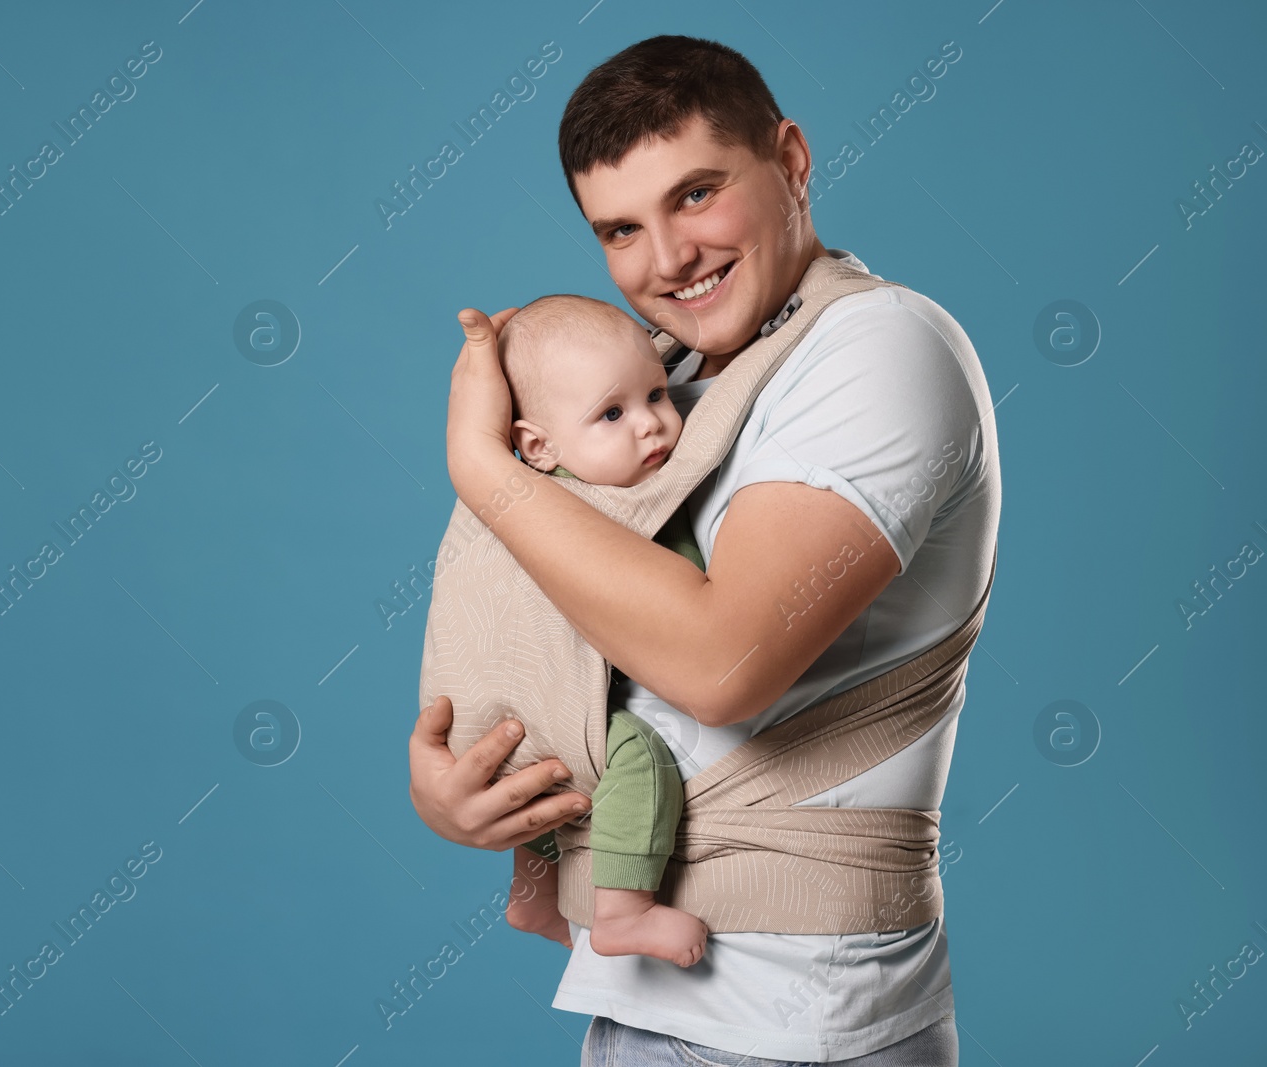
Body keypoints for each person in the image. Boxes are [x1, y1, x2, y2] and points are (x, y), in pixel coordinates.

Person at [409, 34, 999, 1065]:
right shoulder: (677, 387)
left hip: (801, 1013)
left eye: (694, 195)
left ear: (791, 160)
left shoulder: (878, 347)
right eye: (620, 229)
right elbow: (582, 646)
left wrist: (485, 467)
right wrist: (475, 792)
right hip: (647, 999)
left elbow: (719, 665)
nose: (666, 260)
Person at [493, 293, 710, 968]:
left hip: (510, 711)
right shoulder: (618, 504)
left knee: (549, 790)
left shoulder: (533, 493)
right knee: (638, 758)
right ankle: (623, 911)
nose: (651, 425)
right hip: (548, 699)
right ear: (538, 446)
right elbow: (685, 601)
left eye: (656, 394)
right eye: (612, 413)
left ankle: (531, 895)